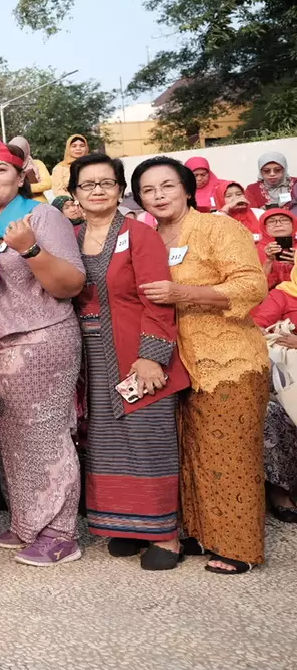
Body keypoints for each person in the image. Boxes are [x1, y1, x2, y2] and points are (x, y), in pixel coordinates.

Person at [132, 156, 269, 574]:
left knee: (229, 455)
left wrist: (183, 292)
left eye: (167, 186)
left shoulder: (217, 227)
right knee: (188, 454)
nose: (159, 196)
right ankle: (198, 532)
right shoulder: (146, 238)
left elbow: (252, 284)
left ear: (188, 189)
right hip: (175, 364)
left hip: (228, 360)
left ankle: (238, 547)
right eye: (149, 190)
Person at [68, 153, 188, 570]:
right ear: (74, 193)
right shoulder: (71, 235)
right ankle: (127, 526)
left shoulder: (140, 234)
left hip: (134, 353)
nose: (97, 190)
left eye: (106, 182)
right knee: (103, 442)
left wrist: (152, 357)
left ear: (121, 189)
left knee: (148, 441)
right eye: (87, 184)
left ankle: (166, 536)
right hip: (89, 358)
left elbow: (158, 298)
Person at [0, 133, 86, 566]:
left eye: (1, 170)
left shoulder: (41, 216)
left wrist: (31, 250)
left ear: (22, 177)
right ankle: (27, 522)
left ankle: (60, 533)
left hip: (41, 336)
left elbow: (71, 283)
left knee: (45, 436)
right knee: (11, 436)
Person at [250, 281, 297, 524]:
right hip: (288, 383)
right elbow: (255, 328)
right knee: (270, 414)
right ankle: (280, 492)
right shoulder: (283, 295)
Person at [257, 208, 295, 289]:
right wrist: (268, 261)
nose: (278, 224)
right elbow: (255, 286)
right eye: (271, 221)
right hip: (269, 295)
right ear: (264, 227)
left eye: (284, 220)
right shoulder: (254, 249)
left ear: (293, 224)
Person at [9, 136, 51, 202]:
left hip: (38, 201)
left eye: (20, 150)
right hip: (17, 204)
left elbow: (47, 184)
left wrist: (24, 188)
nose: (18, 153)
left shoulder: (36, 164)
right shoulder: (9, 166)